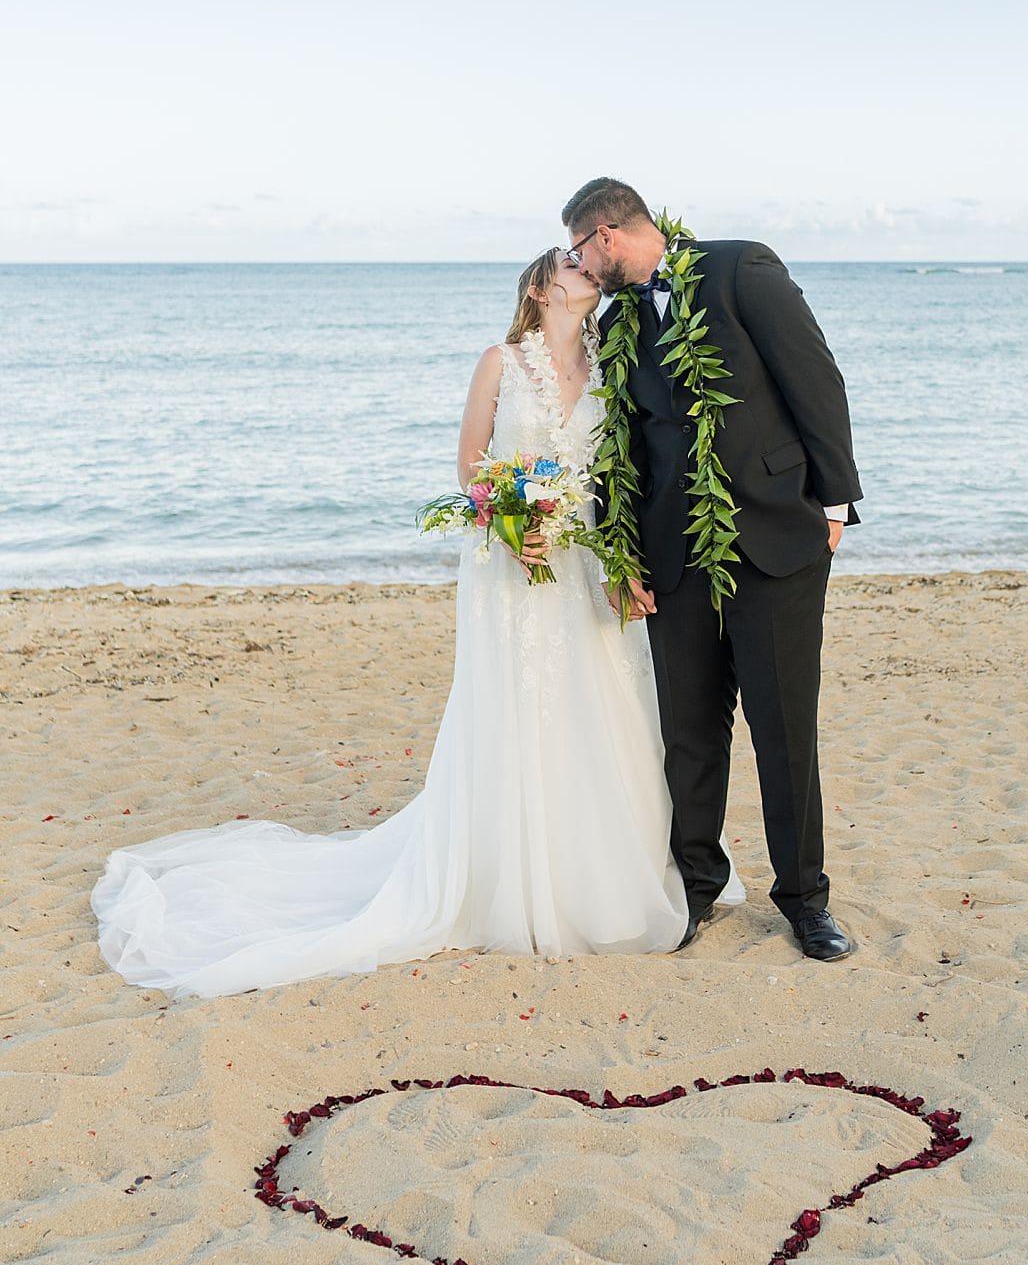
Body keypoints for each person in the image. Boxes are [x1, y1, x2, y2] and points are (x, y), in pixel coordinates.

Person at [91, 248, 742, 1000]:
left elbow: (624, 474)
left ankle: (621, 869)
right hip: (514, 562)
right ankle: (514, 877)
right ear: (540, 288)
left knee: (607, 706)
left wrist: (624, 559)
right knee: (520, 711)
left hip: (587, 565)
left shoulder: (612, 364)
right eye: (570, 263)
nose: (584, 269)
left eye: (586, 261)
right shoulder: (499, 361)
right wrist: (508, 521)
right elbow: (470, 466)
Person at [562, 177, 861, 959]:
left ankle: (805, 901)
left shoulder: (739, 269)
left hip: (775, 541)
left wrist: (834, 505)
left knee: (785, 732)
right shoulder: (619, 321)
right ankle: (695, 889)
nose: (581, 269)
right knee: (689, 735)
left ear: (606, 234)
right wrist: (620, 551)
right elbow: (612, 448)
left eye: (580, 252)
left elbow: (815, 378)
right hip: (670, 558)